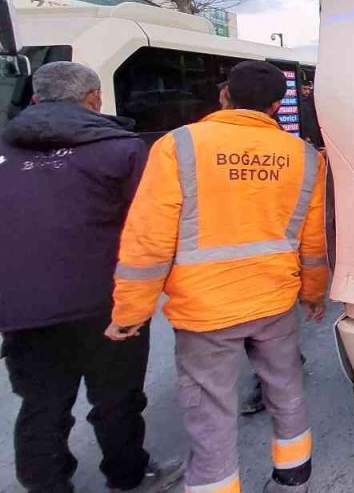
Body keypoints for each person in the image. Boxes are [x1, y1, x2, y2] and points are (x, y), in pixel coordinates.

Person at [108, 61, 329, 493]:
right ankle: (293, 480)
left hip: (204, 311)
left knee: (210, 412)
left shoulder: (179, 146)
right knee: (285, 391)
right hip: (274, 300)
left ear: (224, 95)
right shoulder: (303, 156)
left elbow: (148, 238)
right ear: (275, 105)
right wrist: (313, 294)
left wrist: (131, 312)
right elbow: (313, 240)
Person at [0, 61, 184, 493]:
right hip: (107, 301)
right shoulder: (122, 150)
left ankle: (47, 484)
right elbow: (149, 228)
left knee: (41, 403)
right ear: (94, 99)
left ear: (35, 97)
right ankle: (128, 474)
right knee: (117, 397)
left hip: (20, 306)